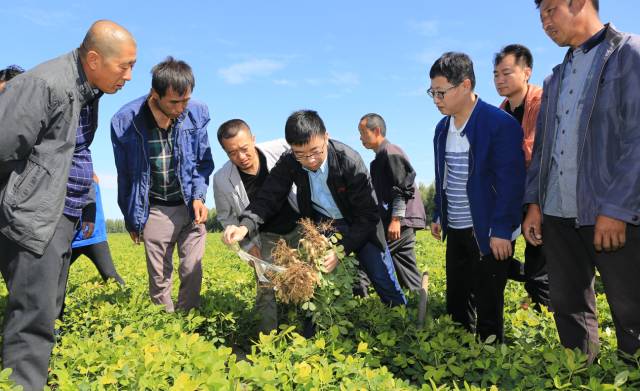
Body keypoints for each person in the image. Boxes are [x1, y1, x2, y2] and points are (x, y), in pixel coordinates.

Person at [0, 20, 136, 389]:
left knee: (48, 310)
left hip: (63, 214)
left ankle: (37, 377)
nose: (128, 76)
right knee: (33, 317)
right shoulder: (42, 84)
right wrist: (21, 200)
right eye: (124, 66)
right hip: (35, 216)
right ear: (94, 59)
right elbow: (3, 148)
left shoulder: (87, 91)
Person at [524, 0, 640, 363]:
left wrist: (617, 207)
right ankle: (580, 377)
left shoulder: (628, 55)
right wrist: (535, 204)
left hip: (611, 213)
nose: (544, 21)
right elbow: (543, 150)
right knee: (568, 307)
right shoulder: (553, 78)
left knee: (631, 311)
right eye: (540, 14)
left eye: (550, 10)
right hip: (558, 214)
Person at [222, 110, 407, 308]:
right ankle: (318, 332)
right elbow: (267, 198)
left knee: (381, 278)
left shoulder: (349, 161)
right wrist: (244, 227)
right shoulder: (290, 162)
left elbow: (368, 216)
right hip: (326, 226)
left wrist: (341, 250)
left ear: (326, 137)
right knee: (319, 286)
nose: (310, 160)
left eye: (316, 151)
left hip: (360, 225)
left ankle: (403, 321)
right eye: (300, 154)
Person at [429, 52, 525, 343]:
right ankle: (461, 358)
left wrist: (501, 230)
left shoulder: (500, 124)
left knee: (488, 304)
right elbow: (442, 175)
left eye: (441, 92)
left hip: (487, 229)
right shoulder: (442, 128)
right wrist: (438, 213)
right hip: (456, 228)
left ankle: (489, 370)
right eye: (432, 92)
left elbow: (511, 183)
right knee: (457, 300)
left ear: (465, 85)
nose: (436, 99)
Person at [111, 57, 214, 313]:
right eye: (174, 102)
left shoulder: (197, 113)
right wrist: (131, 218)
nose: (181, 108)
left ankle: (187, 322)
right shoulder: (126, 121)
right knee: (159, 278)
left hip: (190, 205)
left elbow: (203, 162)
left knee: (192, 269)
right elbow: (125, 175)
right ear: (155, 94)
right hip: (156, 208)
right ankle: (167, 329)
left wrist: (199, 196)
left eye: (186, 100)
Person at [214, 119, 300, 334]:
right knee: (266, 288)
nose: (241, 157)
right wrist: (247, 246)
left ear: (253, 139)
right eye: (232, 153)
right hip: (265, 236)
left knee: (303, 280)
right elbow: (227, 217)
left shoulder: (282, 149)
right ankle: (267, 343)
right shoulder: (222, 179)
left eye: (244, 149)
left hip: (300, 226)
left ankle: (305, 333)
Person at [493, 44, 550, 310]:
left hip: (540, 194)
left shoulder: (542, 102)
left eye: (506, 73)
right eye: (495, 75)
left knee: (540, 265)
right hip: (511, 196)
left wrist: (534, 204)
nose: (500, 80)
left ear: (527, 72)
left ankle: (545, 324)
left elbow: (537, 153)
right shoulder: (499, 113)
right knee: (495, 256)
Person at [357, 113, 427, 292]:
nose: (360, 138)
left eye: (363, 132)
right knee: (405, 269)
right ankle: (420, 309)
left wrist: (396, 219)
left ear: (377, 131)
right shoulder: (378, 158)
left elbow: (403, 187)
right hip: (399, 222)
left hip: (400, 222)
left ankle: (359, 302)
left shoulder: (391, 152)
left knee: (368, 257)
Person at [70, 174, 125, 286]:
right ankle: (57, 303)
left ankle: (127, 299)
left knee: (110, 275)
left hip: (94, 236)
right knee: (56, 276)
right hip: (70, 238)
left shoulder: (90, 177)